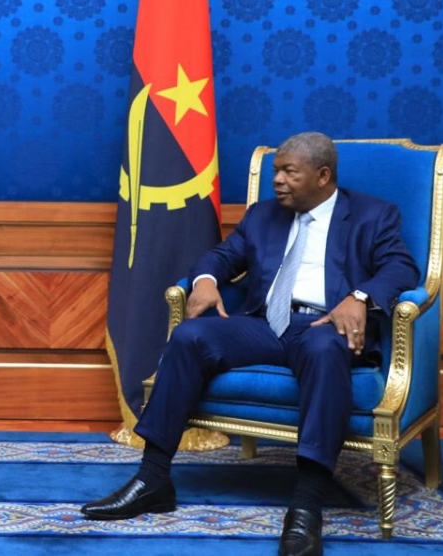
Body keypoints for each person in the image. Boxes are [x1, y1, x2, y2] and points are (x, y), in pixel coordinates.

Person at [81, 132, 419, 556]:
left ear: (323, 175)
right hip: (263, 324)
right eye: (276, 170)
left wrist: (359, 297)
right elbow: (221, 257)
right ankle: (153, 479)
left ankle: (307, 504)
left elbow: (401, 268)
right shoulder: (263, 215)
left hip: (322, 326)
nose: (277, 180)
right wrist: (205, 281)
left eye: (288, 172)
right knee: (190, 336)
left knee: (323, 348)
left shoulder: (373, 215)